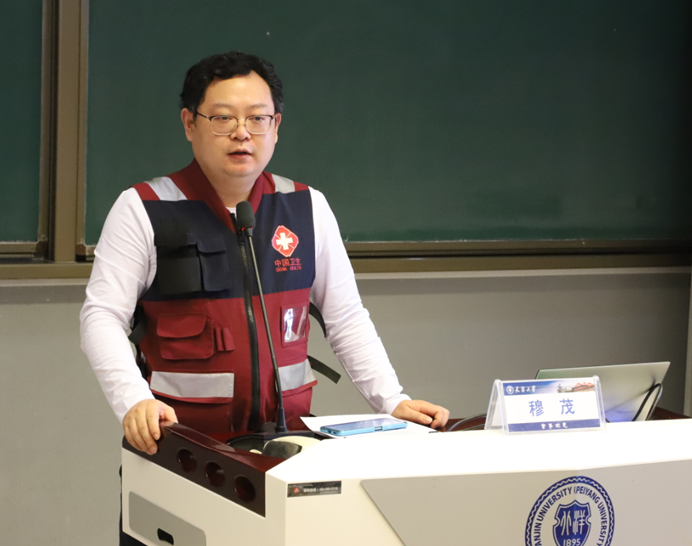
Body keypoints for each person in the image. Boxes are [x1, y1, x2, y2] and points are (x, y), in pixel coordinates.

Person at [81, 51, 449, 460]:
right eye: (223, 118)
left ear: (276, 126)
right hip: (179, 446)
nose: (242, 133)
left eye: (258, 118)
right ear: (189, 123)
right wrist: (134, 400)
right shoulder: (145, 208)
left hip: (288, 445)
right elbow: (102, 316)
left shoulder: (305, 207)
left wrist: (391, 401)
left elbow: (345, 316)